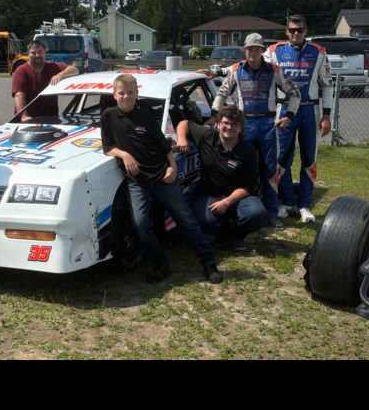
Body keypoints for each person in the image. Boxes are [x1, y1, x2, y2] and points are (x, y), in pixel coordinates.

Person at [100, 73, 223, 284]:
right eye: (122, 93)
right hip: (136, 181)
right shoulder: (108, 116)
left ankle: (209, 263)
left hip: (162, 176)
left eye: (130, 93)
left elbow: (165, 147)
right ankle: (161, 263)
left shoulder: (146, 116)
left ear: (137, 94)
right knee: (140, 225)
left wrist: (172, 168)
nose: (126, 97)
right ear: (114, 95)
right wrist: (125, 155)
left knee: (185, 219)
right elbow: (108, 147)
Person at [210, 33, 301, 227]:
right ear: (245, 50)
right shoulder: (236, 70)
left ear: (262, 50)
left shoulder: (274, 70)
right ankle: (236, 211)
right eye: (249, 48)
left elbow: (295, 93)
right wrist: (217, 114)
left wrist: (288, 116)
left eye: (257, 48)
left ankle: (271, 215)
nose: (253, 52)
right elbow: (222, 92)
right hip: (244, 127)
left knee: (269, 172)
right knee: (239, 168)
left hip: (268, 125)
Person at [266, 14, 334, 224]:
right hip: (284, 109)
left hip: (309, 110)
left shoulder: (319, 52)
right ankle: (286, 202)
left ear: (306, 31)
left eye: (300, 30)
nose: (296, 33)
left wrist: (326, 115)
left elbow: (328, 84)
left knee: (309, 158)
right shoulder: (274, 51)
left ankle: (304, 204)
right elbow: (260, 73)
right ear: (286, 31)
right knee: (282, 158)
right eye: (293, 30)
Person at [175, 105, 267, 251]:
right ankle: (222, 234)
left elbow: (249, 186)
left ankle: (237, 235)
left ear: (241, 128)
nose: (229, 127)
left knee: (257, 214)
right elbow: (184, 123)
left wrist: (226, 202)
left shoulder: (247, 150)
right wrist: (181, 139)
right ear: (218, 125)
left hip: (238, 197)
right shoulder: (206, 137)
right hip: (210, 194)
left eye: (235, 124)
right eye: (225, 123)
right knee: (203, 219)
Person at [11, 41, 78, 120]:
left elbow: (75, 70)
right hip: (28, 121)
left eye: (40, 52)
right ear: (28, 54)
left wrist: (61, 75)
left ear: (45, 53)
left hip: (50, 120)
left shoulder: (53, 67)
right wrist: (24, 117)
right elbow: (19, 95)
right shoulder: (21, 70)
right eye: (33, 53)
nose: (37, 55)